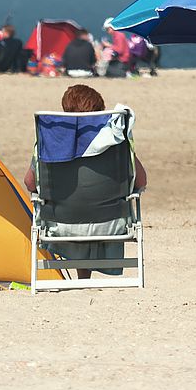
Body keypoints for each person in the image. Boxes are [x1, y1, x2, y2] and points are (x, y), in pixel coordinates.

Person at [24, 85, 147, 279]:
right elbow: (141, 181)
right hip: (111, 224)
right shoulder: (116, 141)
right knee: (91, 203)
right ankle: (84, 275)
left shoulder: (51, 142)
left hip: (60, 225)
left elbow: (30, 183)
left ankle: (82, 274)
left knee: (75, 204)